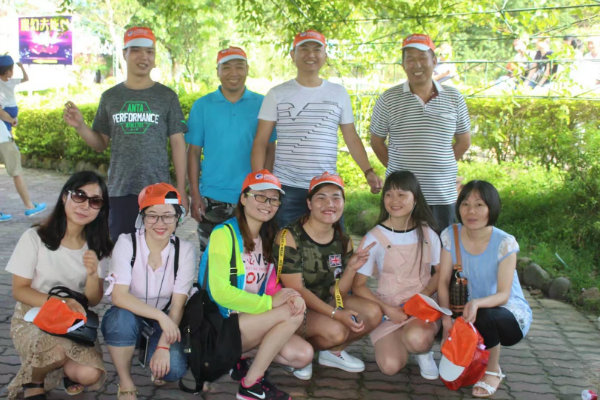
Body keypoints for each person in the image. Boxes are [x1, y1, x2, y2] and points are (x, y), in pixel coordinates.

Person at [63, 27, 188, 240]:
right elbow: (100, 143)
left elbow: (178, 143)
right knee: (121, 251)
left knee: (158, 251)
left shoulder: (167, 96)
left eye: (149, 52)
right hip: (120, 190)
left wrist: (181, 189)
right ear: (125, 54)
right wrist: (81, 126)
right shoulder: (110, 97)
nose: (144, 57)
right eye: (136, 50)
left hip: (159, 191)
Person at [251, 29, 382, 228]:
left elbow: (351, 137)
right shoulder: (276, 94)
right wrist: (260, 182)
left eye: (316, 49)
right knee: (284, 244)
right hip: (286, 188)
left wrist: (368, 171)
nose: (310, 54)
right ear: (293, 55)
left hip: (326, 188)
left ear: (325, 56)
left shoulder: (339, 93)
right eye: (304, 49)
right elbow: (261, 141)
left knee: (332, 245)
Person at [200, 169, 313, 400]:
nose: (267, 204)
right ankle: (251, 384)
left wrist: (289, 296)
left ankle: (240, 359)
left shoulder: (269, 237)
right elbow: (220, 292)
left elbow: (272, 287)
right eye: (260, 196)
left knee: (302, 355)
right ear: (243, 198)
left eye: (273, 199)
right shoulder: (224, 234)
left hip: (250, 321)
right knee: (291, 314)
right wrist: (269, 303)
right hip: (220, 325)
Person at [5, 170, 112, 399]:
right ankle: (33, 381)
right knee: (56, 349)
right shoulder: (35, 237)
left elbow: (93, 300)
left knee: (89, 374)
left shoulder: (97, 245)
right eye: (79, 196)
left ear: (101, 209)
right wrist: (60, 302)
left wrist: (92, 274)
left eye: (95, 201)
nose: (85, 206)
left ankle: (61, 369)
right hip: (33, 315)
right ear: (65, 197)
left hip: (73, 321)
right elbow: (19, 290)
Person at [275, 172, 382, 378]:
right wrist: (335, 314)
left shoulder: (343, 240)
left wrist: (351, 268)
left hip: (326, 303)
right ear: (309, 203)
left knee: (373, 313)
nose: (329, 204)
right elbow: (296, 289)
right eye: (321, 198)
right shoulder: (289, 236)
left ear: (343, 202)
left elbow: (338, 291)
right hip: (294, 309)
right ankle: (296, 354)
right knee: (336, 331)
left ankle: (332, 352)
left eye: (335, 197)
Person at [437, 180, 532, 398]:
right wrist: (446, 320)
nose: (471, 211)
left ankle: (493, 371)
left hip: (506, 313)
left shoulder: (505, 243)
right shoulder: (451, 235)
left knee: (485, 314)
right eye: (465, 204)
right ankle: (476, 356)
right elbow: (442, 281)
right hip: (466, 308)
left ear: (492, 208)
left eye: (479, 205)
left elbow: (504, 295)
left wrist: (477, 303)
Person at [101, 183, 196, 399]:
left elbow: (178, 304)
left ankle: (150, 349)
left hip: (166, 317)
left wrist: (163, 347)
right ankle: (125, 381)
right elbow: (119, 296)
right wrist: (160, 317)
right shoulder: (126, 243)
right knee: (119, 321)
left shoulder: (185, 250)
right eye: (152, 215)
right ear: (142, 217)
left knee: (174, 370)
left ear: (178, 218)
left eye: (168, 216)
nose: (160, 223)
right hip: (130, 315)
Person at [370, 33, 471, 232]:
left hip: (442, 195)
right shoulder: (388, 99)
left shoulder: (454, 97)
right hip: (401, 197)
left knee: (442, 247)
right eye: (410, 59)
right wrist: (398, 171)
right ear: (403, 65)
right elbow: (377, 141)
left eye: (423, 58)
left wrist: (440, 164)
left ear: (434, 61)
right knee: (400, 247)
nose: (417, 65)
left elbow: (464, 141)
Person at [352, 171, 441, 379]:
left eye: (402, 195)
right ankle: (403, 337)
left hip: (421, 306)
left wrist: (421, 297)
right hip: (389, 309)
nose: (394, 200)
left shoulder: (428, 233)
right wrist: (387, 309)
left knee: (417, 340)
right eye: (389, 194)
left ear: (415, 199)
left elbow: (440, 273)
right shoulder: (374, 237)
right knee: (389, 366)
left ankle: (423, 351)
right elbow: (358, 285)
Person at [186, 46, 275, 254]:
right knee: (212, 257)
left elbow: (270, 148)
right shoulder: (202, 106)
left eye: (239, 66)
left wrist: (264, 187)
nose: (233, 73)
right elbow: (193, 153)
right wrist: (195, 194)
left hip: (252, 196)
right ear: (217, 71)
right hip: (212, 197)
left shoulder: (263, 103)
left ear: (247, 69)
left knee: (250, 257)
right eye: (226, 67)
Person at [0, 54, 46, 220]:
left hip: (4, 131)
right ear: (8, 71)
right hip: (3, 137)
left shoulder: (8, 82)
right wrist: (11, 120)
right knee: (16, 171)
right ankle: (29, 206)